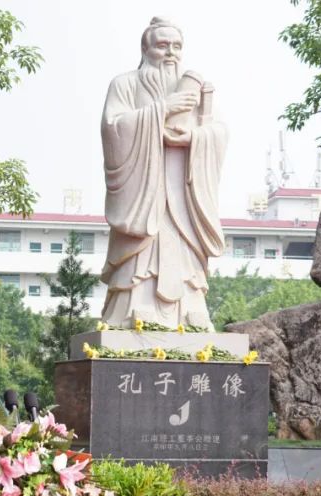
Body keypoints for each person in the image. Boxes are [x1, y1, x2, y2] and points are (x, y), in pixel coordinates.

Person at [99, 16, 228, 331]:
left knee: (184, 253)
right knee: (142, 254)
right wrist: (162, 110)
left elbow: (217, 130)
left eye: (176, 46)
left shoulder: (195, 87)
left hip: (183, 191)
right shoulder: (125, 83)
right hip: (144, 192)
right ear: (146, 47)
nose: (170, 53)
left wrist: (196, 139)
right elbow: (113, 126)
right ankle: (135, 309)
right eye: (162, 45)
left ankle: (191, 312)